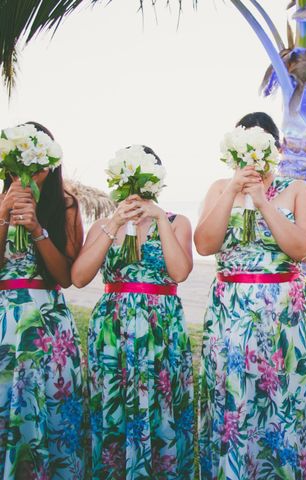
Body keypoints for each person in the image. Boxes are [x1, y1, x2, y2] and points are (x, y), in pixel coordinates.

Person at [195, 112, 306, 480]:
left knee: (283, 400)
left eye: (263, 149)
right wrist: (235, 190)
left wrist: (263, 201)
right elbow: (204, 244)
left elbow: (305, 249)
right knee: (233, 399)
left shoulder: (297, 190)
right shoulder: (221, 188)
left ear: (277, 150)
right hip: (230, 311)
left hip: (285, 315)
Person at [71, 145, 195, 479]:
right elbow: (80, 278)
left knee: (162, 410)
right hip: (113, 331)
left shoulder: (176, 222)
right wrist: (114, 222)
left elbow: (180, 272)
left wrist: (158, 219)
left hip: (161, 329)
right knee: (113, 410)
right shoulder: (103, 226)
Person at [0, 122, 87, 478]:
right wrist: (4, 216)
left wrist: (37, 230)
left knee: (51, 411)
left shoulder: (65, 205)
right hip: (5, 321)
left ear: (49, 166)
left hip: (49, 322)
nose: (30, 174)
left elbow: (65, 277)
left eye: (37, 166)